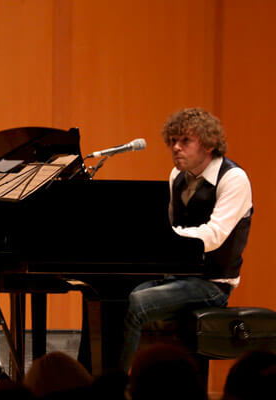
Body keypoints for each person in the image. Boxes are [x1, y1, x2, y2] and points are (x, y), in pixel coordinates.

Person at [119, 107, 253, 372]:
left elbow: (214, 235)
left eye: (185, 141)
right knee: (108, 293)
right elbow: (169, 223)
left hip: (212, 284)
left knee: (137, 302)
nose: (176, 148)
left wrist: (167, 237)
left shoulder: (234, 179)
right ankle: (91, 376)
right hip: (177, 277)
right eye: (172, 142)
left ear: (209, 143)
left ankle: (116, 384)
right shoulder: (176, 176)